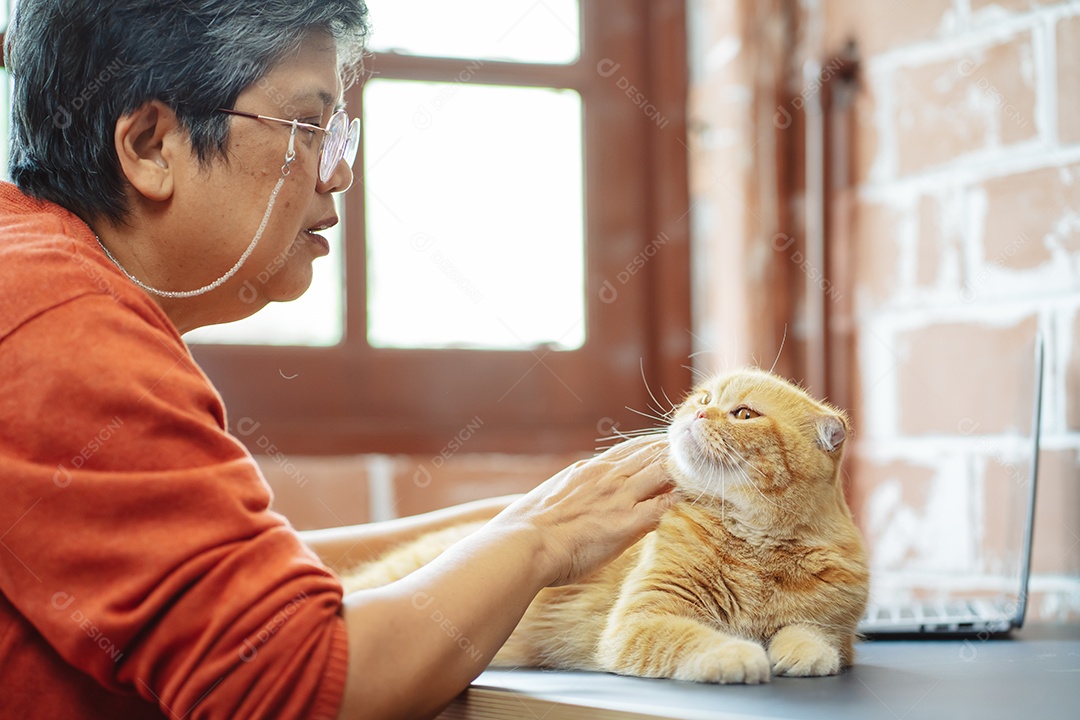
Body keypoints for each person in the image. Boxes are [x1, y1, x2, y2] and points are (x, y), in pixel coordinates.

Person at [0, 2, 675, 719]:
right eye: (309, 126)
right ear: (150, 144)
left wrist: (523, 517)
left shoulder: (36, 275)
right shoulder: (59, 322)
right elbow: (293, 682)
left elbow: (244, 584)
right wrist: (542, 539)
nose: (342, 171)